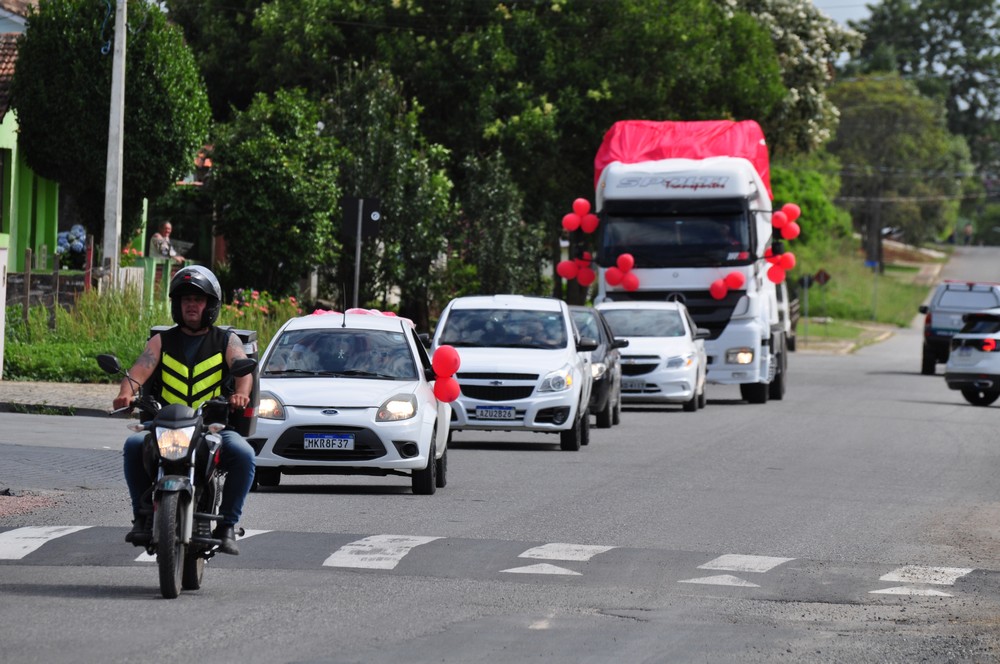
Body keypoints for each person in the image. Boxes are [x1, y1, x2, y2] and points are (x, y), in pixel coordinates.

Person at [113, 265, 254, 555]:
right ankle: (141, 517)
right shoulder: (162, 340)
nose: (191, 304)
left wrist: (240, 394)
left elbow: (243, 370)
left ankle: (227, 526)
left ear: (210, 305)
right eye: (185, 299)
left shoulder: (226, 341)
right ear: (177, 305)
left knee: (244, 454)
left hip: (211, 427)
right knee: (134, 444)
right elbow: (139, 370)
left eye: (198, 299)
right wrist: (125, 394)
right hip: (165, 424)